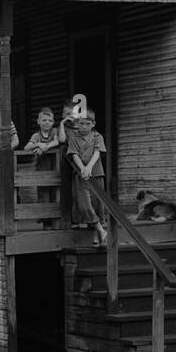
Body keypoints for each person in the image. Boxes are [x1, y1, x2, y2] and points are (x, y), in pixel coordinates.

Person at [65, 105, 108, 247]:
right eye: (82, 123)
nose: (84, 127)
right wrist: (83, 168)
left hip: (96, 173)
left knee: (97, 204)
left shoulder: (97, 137)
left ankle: (97, 234)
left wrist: (89, 167)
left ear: (93, 124)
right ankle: (101, 229)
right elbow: (74, 154)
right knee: (84, 205)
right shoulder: (74, 138)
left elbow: (97, 152)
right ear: (77, 123)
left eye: (87, 124)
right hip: (81, 175)